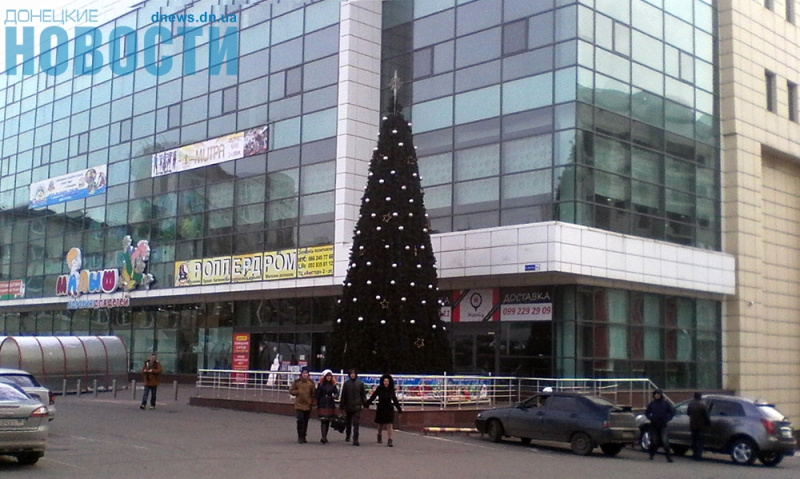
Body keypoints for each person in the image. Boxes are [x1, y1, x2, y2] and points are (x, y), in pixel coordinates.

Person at [365, 373, 403, 447]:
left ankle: (390, 440)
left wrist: (399, 409)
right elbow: (373, 396)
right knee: (380, 424)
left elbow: (395, 400)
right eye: (385, 381)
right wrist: (367, 404)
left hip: (389, 408)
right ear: (382, 381)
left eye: (387, 381)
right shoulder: (379, 388)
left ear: (389, 382)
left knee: (389, 424)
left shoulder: (391, 389)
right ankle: (379, 435)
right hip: (381, 408)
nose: (386, 383)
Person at [645, 389, 676, 462]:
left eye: (658, 394)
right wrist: (650, 417)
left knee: (665, 442)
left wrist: (668, 419)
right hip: (654, 425)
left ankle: (668, 457)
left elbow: (672, 412)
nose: (657, 396)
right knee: (654, 441)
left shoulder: (666, 404)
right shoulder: (652, 404)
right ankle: (651, 455)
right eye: (655, 394)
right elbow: (647, 412)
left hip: (663, 425)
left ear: (661, 395)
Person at [339, 369, 367, 446]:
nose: (352, 375)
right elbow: (343, 396)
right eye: (351, 373)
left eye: (354, 373)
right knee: (348, 422)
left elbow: (363, 395)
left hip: (357, 406)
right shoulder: (346, 384)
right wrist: (341, 406)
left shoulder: (360, 383)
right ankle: (348, 435)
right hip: (348, 406)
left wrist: (365, 404)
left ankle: (355, 439)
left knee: (356, 423)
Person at [289, 367, 315, 443]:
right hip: (299, 404)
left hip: (308, 404)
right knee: (300, 420)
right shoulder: (297, 382)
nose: (305, 375)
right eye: (303, 373)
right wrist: (297, 392)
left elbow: (313, 393)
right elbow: (291, 391)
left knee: (305, 421)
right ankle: (300, 436)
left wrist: (313, 403)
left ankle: (304, 436)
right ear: (301, 374)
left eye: (306, 373)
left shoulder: (311, 383)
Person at [315, 369, 339, 444]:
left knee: (328, 420)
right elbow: (317, 394)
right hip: (322, 403)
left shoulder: (333, 385)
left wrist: (335, 396)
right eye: (327, 376)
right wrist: (316, 403)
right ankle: (323, 437)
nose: (329, 377)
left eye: (330, 376)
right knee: (323, 420)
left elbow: (337, 393)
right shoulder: (321, 384)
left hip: (330, 403)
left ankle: (325, 436)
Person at [687, 391, 711, 460]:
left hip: (692, 424)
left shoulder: (690, 404)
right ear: (700, 397)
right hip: (701, 425)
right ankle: (698, 456)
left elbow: (688, 413)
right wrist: (708, 424)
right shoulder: (702, 405)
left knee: (694, 440)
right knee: (700, 441)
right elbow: (706, 416)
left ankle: (694, 454)